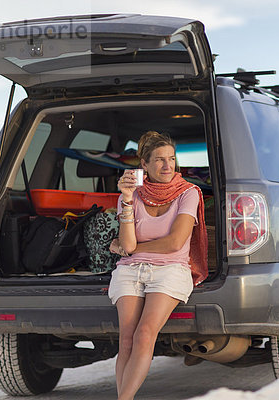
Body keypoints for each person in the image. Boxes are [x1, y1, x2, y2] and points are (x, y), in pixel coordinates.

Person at [108, 131, 208, 400]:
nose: (167, 166)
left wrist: (132, 249)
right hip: (130, 270)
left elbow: (175, 242)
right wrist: (127, 198)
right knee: (126, 339)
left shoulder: (188, 193)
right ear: (144, 164)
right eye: (160, 160)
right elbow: (127, 244)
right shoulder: (130, 196)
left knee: (144, 333)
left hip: (170, 269)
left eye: (172, 159)